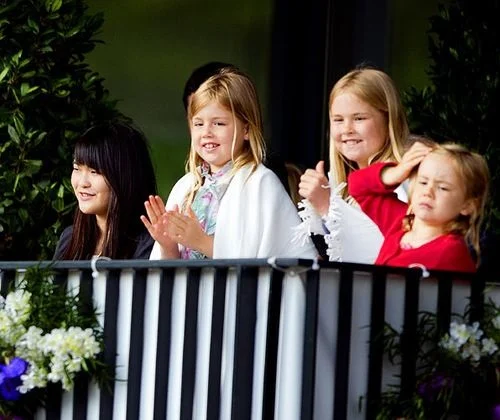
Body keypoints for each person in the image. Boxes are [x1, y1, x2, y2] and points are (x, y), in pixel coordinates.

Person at [143, 67, 316, 259]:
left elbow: (279, 263)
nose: (206, 132)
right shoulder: (185, 187)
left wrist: (201, 242)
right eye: (198, 124)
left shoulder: (260, 183)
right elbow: (169, 276)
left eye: (219, 123)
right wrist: (168, 246)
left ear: (246, 130)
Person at [293, 66, 409, 263]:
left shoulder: (403, 180)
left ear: (389, 119)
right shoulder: (342, 186)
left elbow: (385, 251)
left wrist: (327, 205)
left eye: (359, 118)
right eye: (338, 120)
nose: (347, 129)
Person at [348, 140, 490, 272]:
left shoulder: (451, 252)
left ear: (467, 205)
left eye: (443, 188)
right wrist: (397, 172)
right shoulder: (399, 223)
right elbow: (357, 185)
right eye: (423, 182)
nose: (428, 192)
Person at [53, 120, 158, 260]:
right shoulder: (70, 238)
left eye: (94, 171)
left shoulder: (148, 244)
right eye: (77, 169)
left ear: (125, 176)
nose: (82, 183)